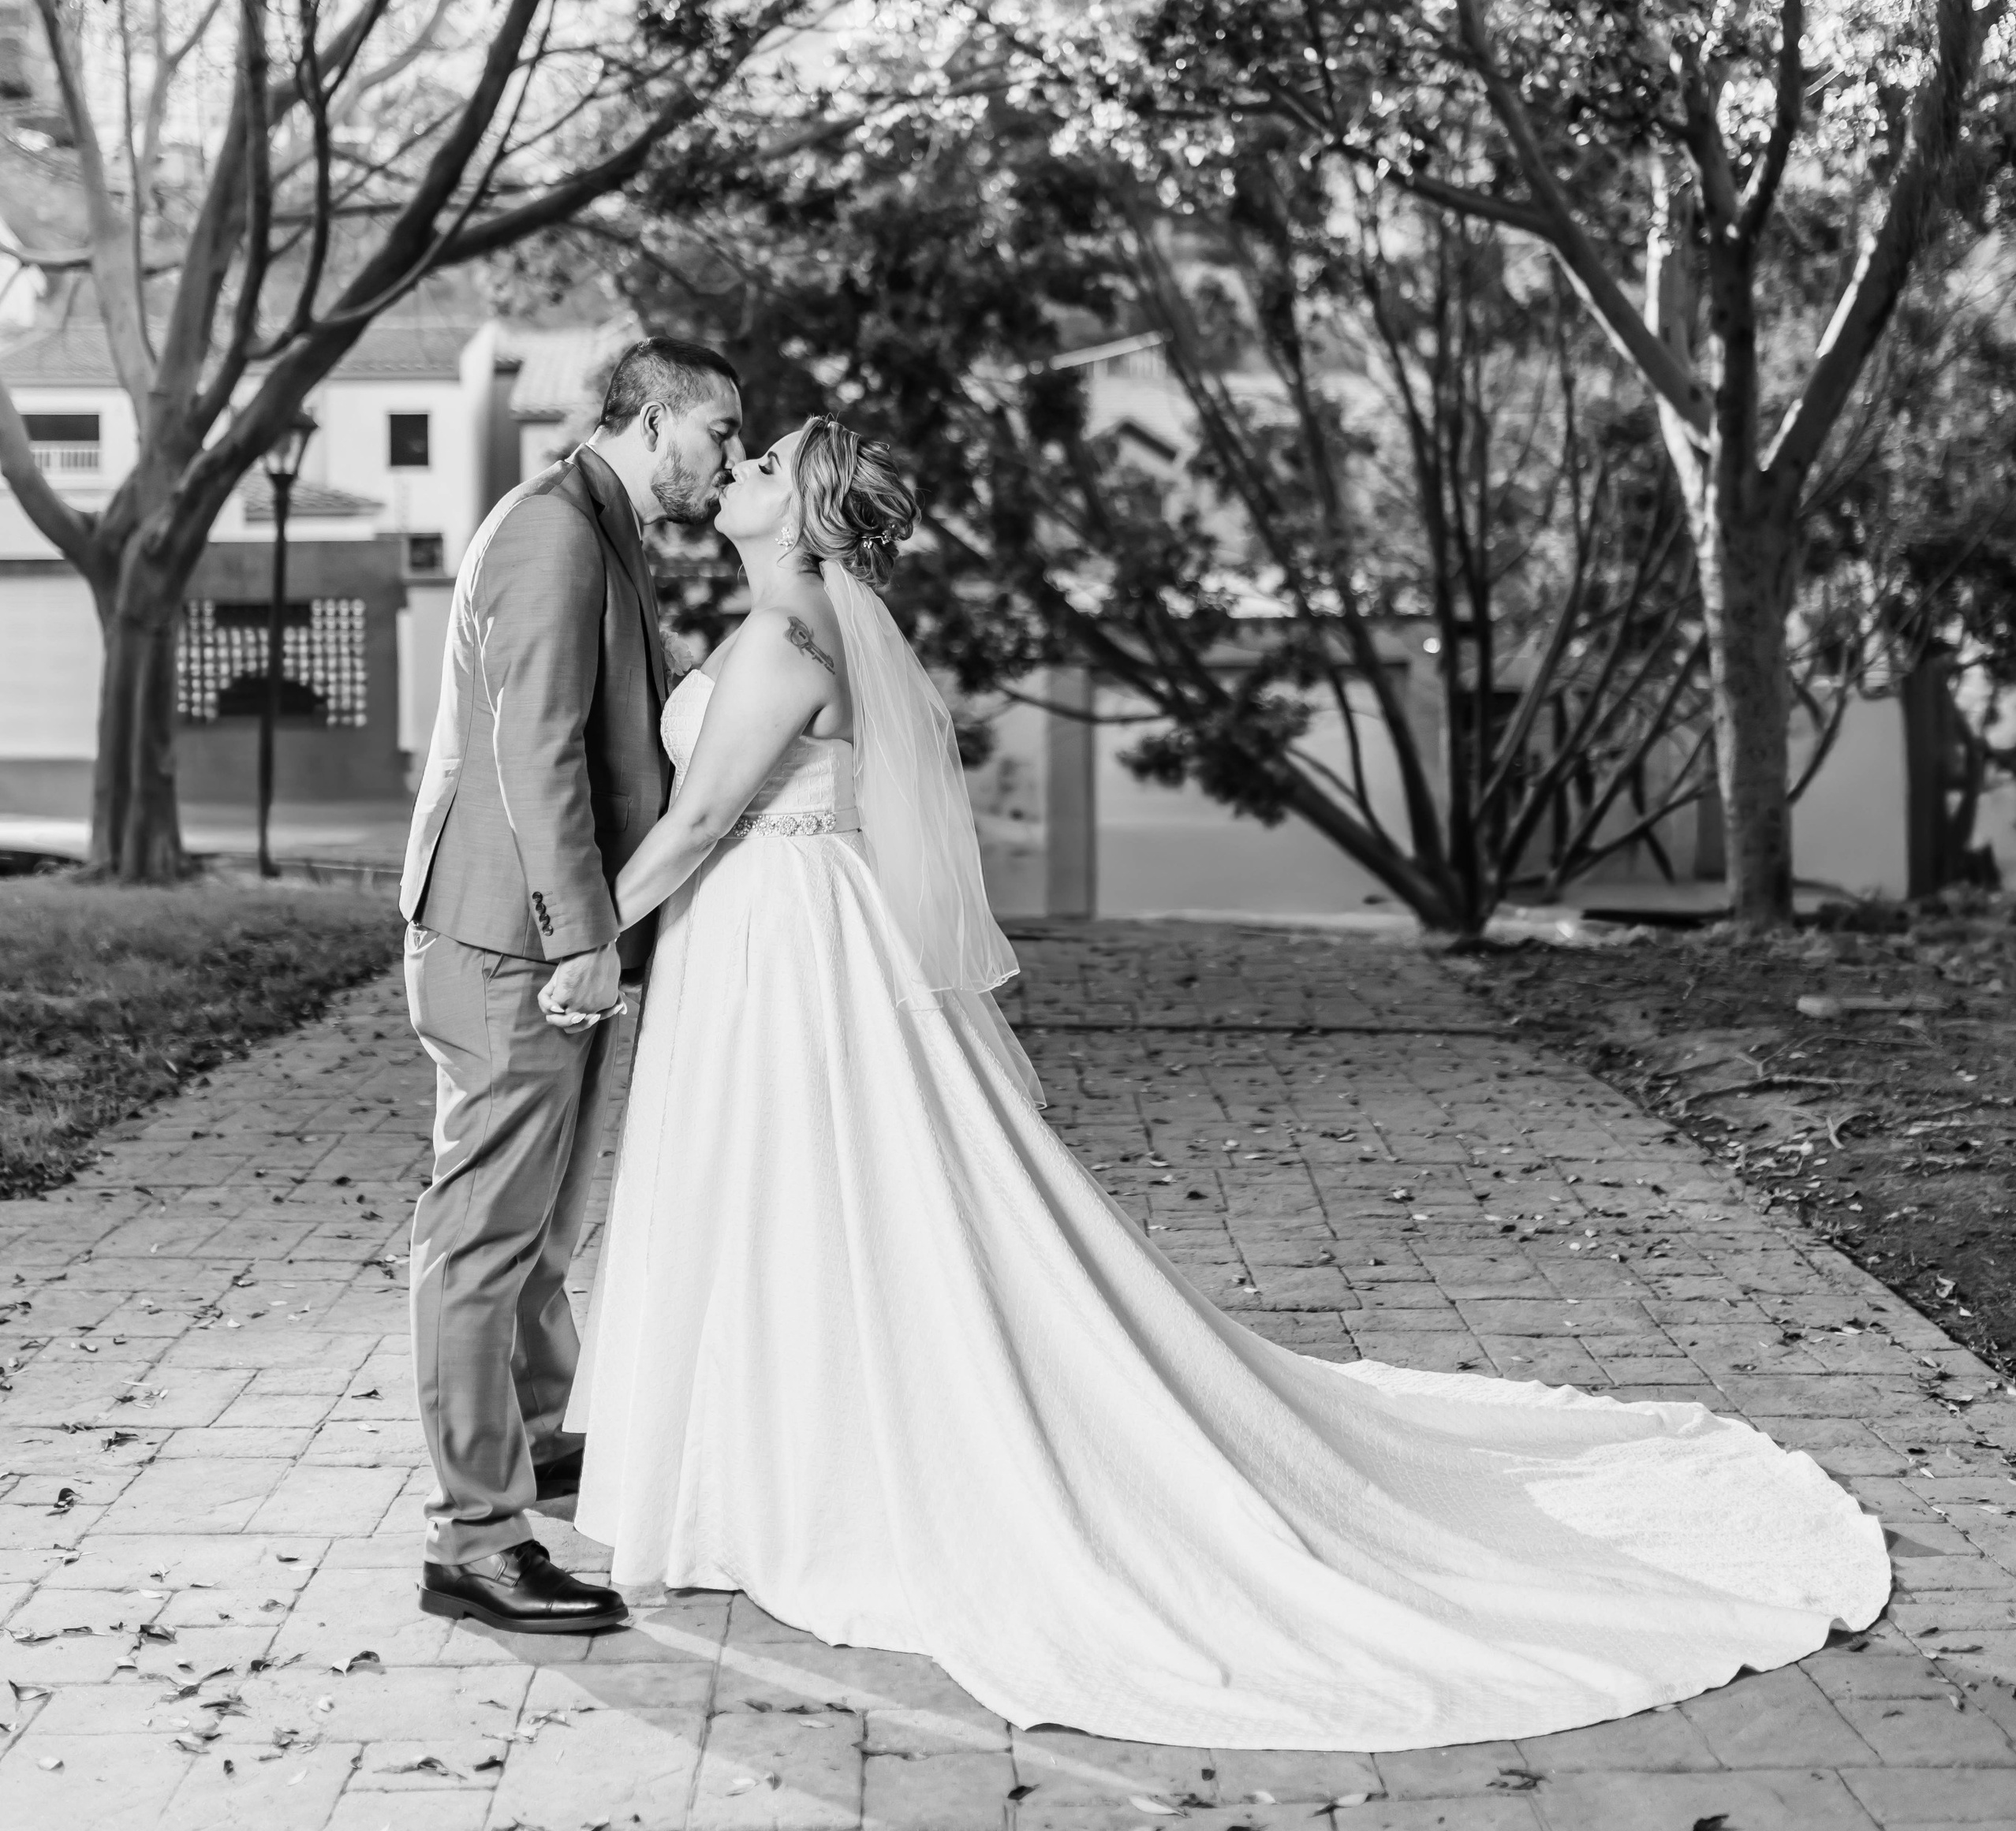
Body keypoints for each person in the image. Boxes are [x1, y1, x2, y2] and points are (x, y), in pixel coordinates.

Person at [567, 412, 1890, 1747]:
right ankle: (777, 1467)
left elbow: (699, 820)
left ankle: (804, 1479)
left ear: (801, 516)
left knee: (799, 1192)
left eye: (764, 463)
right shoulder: (800, 629)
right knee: (801, 1198)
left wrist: (582, 937)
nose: (739, 466)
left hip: (784, 941)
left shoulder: (784, 640)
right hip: (787, 930)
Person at [401, 337, 743, 1635]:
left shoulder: (603, 526)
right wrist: (580, 934)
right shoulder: (552, 531)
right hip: (512, 941)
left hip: (544, 936)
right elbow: (533, 748)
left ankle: (536, 1441)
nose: (727, 458)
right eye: (719, 431)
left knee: (542, 1230)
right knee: (482, 1235)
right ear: (653, 422)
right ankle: (475, 1541)